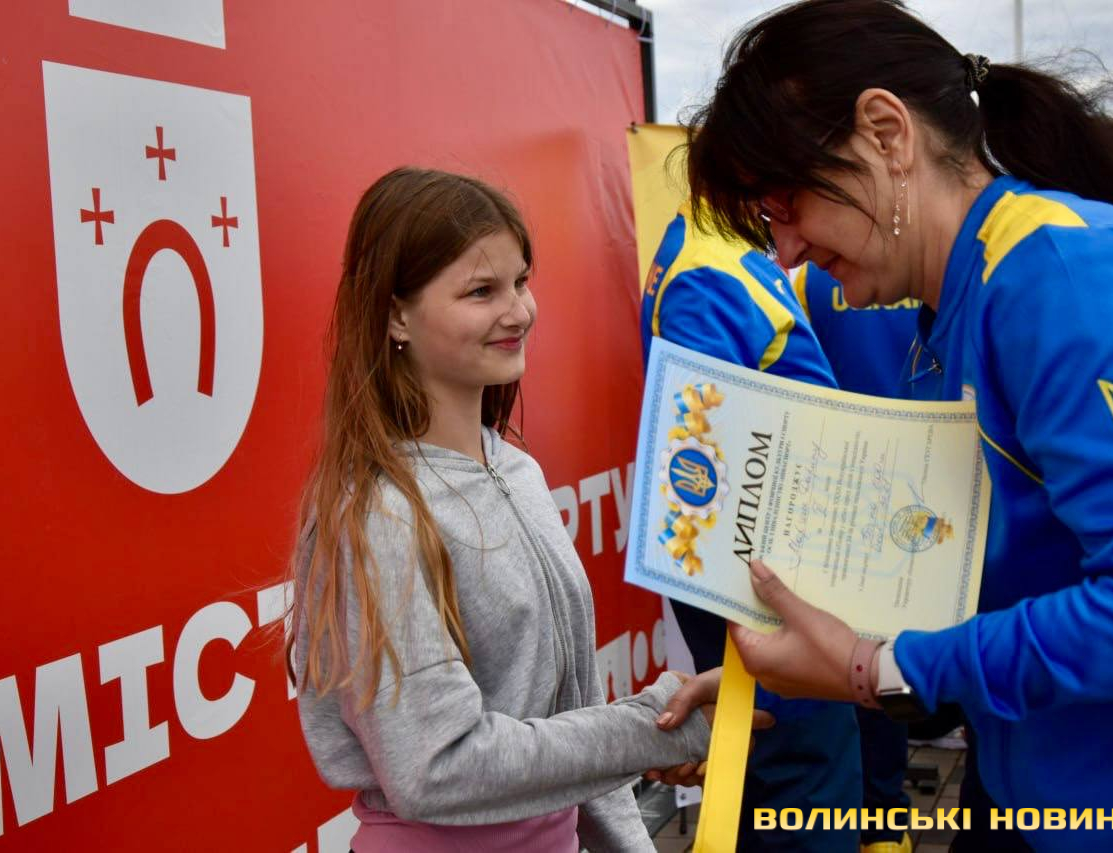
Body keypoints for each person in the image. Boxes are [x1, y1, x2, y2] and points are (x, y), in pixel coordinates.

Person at [658, 1, 1113, 851]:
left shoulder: (1059, 280)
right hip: (1031, 789)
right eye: (764, 222)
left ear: (886, 133)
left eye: (786, 202)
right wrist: (777, 682)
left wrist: (884, 668)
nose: (784, 251)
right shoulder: (953, 306)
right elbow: (964, 597)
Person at [286, 167, 747, 853]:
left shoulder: (518, 471)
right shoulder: (377, 513)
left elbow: (573, 719)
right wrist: (652, 728)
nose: (519, 311)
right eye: (481, 291)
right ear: (395, 315)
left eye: (521, 282)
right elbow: (437, 766)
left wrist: (640, 775)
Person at [640, 202, 864, 852]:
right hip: (764, 579)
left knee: (768, 770)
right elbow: (709, 457)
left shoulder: (720, 243)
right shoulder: (706, 273)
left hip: (775, 568)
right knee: (800, 776)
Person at [794, 259, 919, 853]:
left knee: (869, 656)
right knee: (895, 654)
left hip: (858, 494)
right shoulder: (941, 263)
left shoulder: (807, 279)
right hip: (932, 484)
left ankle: (880, 820)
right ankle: (887, 823)